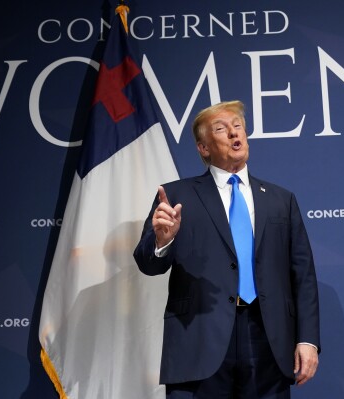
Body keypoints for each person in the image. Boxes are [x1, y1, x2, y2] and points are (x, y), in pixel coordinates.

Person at [134, 100, 320, 398]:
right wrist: (162, 240)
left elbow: (304, 275)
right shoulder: (177, 195)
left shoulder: (280, 199)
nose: (235, 134)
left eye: (239, 127)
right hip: (198, 339)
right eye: (222, 129)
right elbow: (148, 264)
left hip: (268, 341)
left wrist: (308, 340)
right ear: (203, 148)